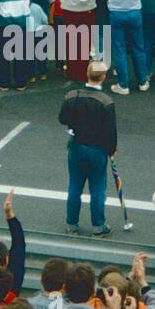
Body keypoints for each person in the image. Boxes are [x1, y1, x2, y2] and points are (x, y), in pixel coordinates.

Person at [59, 60, 117, 238]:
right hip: (97, 150)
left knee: (75, 186)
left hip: (76, 146)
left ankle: (71, 225)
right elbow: (111, 131)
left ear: (87, 74)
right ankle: (98, 226)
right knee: (98, 189)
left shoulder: (71, 96)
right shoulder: (106, 102)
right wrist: (111, 149)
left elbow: (62, 118)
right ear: (103, 77)